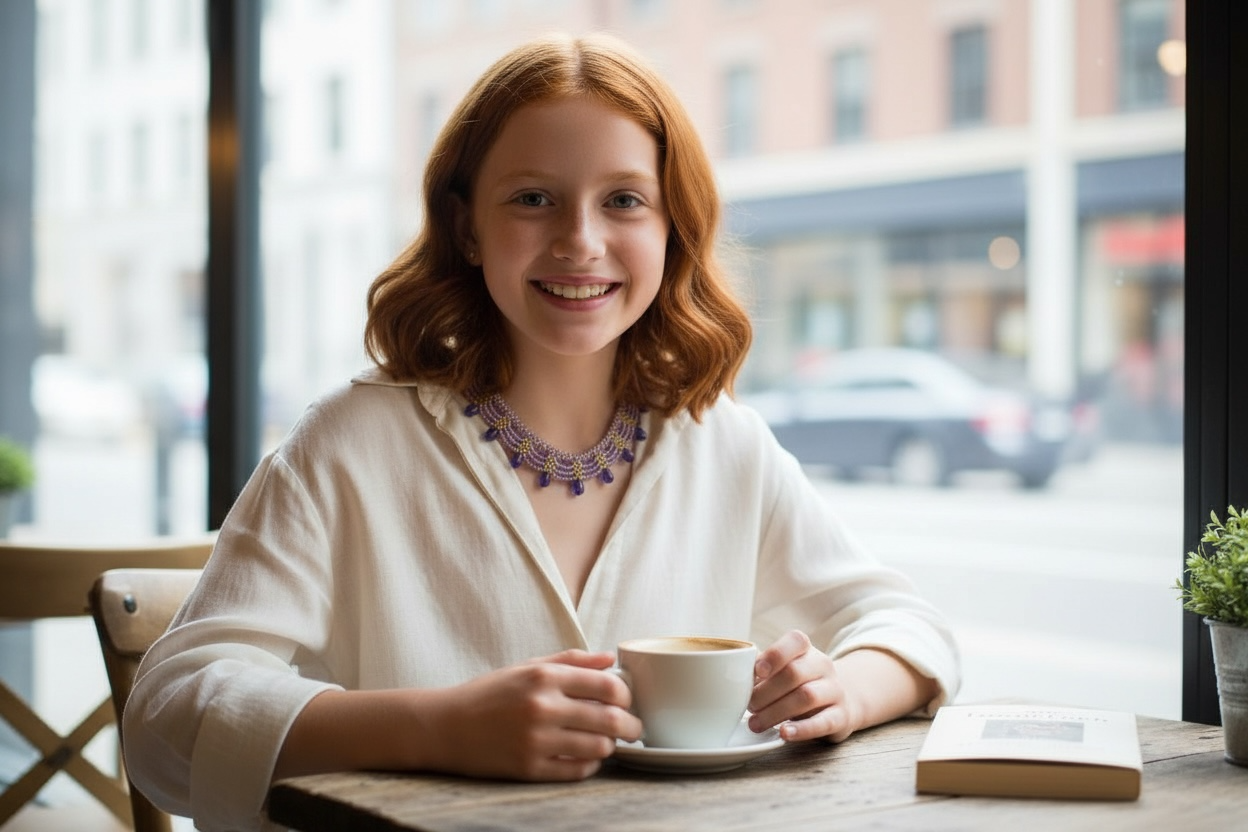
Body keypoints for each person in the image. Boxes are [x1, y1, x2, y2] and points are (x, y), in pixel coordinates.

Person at [124, 32, 960, 831]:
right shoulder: (348, 444)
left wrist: (842, 690)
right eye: (533, 199)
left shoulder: (722, 443)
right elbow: (165, 722)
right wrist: (439, 726)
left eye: (625, 200)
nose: (581, 241)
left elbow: (905, 627)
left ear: (673, 228)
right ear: (466, 227)